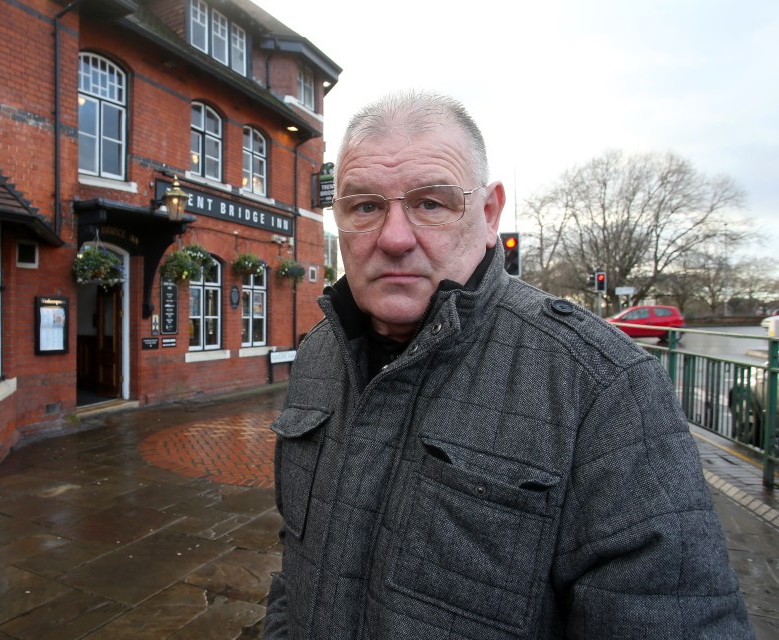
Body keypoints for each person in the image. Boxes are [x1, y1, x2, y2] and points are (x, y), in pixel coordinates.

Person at [263, 90, 752, 639]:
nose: (394, 238)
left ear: (490, 213)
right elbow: (294, 568)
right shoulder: (319, 353)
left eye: (431, 203)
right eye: (365, 206)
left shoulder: (602, 385)